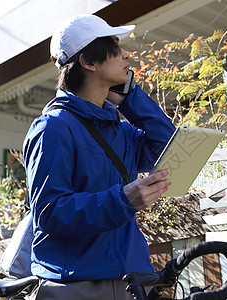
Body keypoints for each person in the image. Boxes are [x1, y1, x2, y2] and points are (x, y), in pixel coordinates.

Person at [23, 14, 175, 299]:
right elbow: (49, 211)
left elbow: (169, 147)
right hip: (77, 286)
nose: (126, 54)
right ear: (89, 62)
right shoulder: (52, 128)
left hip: (132, 279)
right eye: (115, 47)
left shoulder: (121, 130)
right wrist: (123, 200)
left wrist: (131, 97)